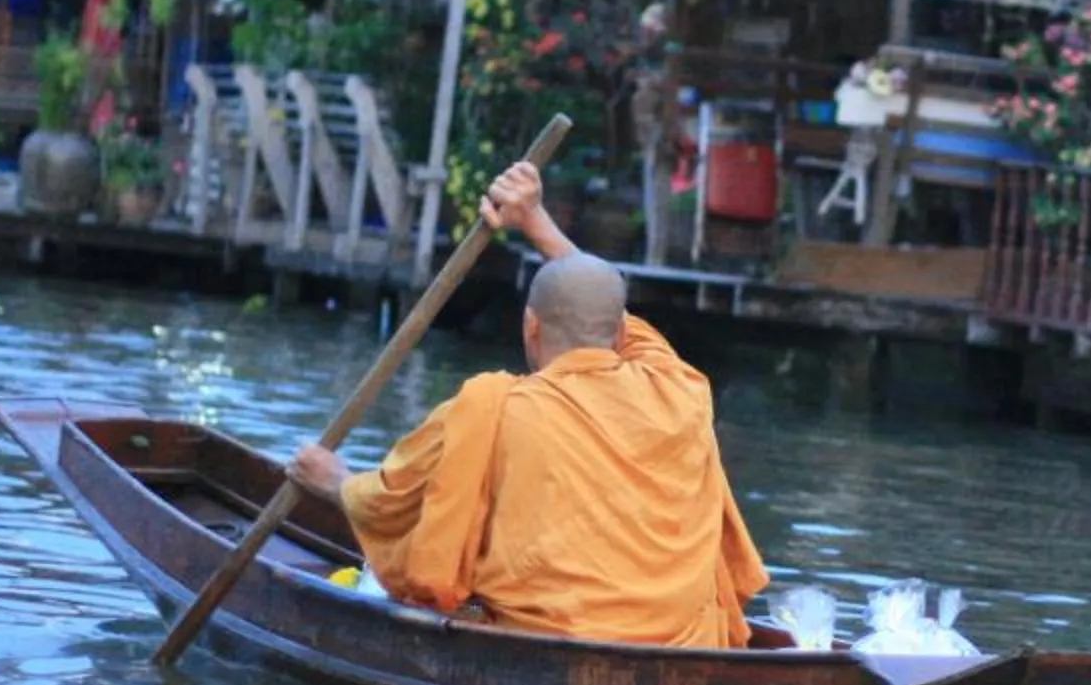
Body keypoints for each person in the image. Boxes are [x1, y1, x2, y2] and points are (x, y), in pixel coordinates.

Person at [287, 163, 769, 646]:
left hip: (544, 642)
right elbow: (603, 302)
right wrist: (534, 220)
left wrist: (336, 482)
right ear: (622, 335)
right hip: (686, 647)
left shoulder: (490, 407)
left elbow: (393, 506)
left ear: (530, 327)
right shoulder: (679, 388)